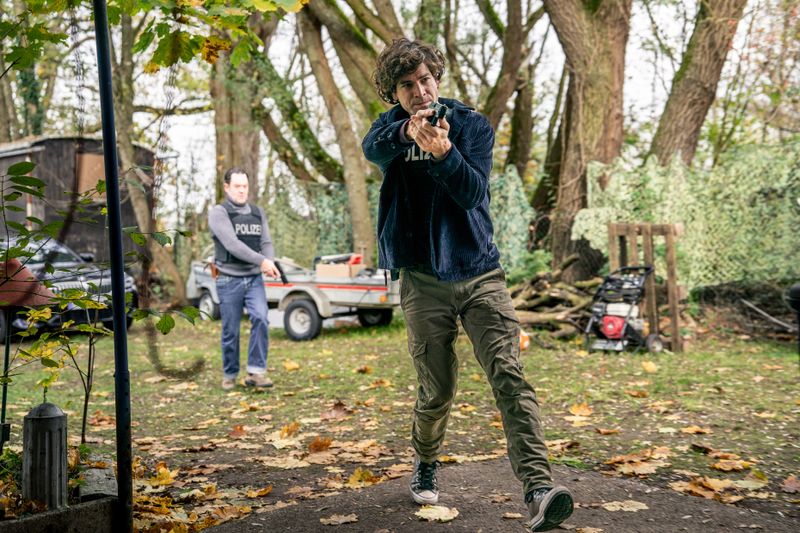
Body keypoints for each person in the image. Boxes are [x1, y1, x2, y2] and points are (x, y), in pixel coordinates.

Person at [362, 39, 574, 532]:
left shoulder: (472, 125)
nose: (420, 90)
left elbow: (473, 192)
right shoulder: (388, 132)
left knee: (509, 376)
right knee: (437, 390)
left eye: (426, 79)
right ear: (395, 92)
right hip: (422, 281)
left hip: (480, 274)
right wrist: (405, 133)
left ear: (438, 76)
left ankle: (539, 489)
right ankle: (426, 459)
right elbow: (373, 150)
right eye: (408, 85)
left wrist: (444, 153)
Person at [208, 167, 280, 391]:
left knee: (261, 318)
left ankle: (256, 372)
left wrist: (269, 262)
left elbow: (266, 242)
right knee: (231, 329)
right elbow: (232, 244)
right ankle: (229, 373)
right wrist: (262, 262)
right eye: (237, 186)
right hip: (228, 279)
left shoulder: (258, 212)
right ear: (227, 187)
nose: (241, 191)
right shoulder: (218, 212)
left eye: (245, 186)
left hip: (254, 279)